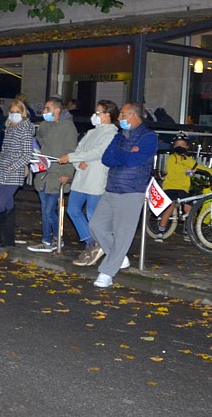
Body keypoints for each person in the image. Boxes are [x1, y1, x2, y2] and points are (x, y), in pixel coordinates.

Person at [88, 102, 158, 288]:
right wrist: (125, 154)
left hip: (131, 190)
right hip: (112, 187)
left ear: (134, 116)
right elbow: (106, 159)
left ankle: (107, 273)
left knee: (122, 234)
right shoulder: (119, 136)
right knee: (96, 225)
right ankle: (118, 258)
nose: (119, 118)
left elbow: (135, 160)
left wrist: (121, 155)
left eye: (123, 115)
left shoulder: (148, 137)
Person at [56, 100, 119, 265]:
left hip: (96, 178)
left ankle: (97, 243)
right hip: (82, 177)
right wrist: (77, 162)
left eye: (99, 113)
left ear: (108, 115)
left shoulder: (112, 134)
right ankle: (92, 242)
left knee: (92, 213)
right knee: (73, 209)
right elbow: (80, 150)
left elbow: (98, 152)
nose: (95, 116)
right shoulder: (91, 132)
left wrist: (72, 158)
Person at [27, 97, 78, 253]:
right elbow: (40, 141)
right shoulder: (45, 125)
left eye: (47, 109)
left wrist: (68, 174)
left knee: (49, 210)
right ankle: (52, 239)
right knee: (46, 210)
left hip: (57, 174)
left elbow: (71, 152)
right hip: (43, 173)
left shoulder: (68, 128)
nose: (44, 112)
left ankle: (51, 240)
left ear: (57, 110)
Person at [154, 132, 212, 242]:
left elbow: (201, 167)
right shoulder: (172, 158)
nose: (180, 146)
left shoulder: (189, 160)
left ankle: (187, 231)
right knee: (170, 207)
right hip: (171, 187)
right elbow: (173, 170)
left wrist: (210, 172)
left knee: (189, 209)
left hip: (183, 188)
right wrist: (186, 172)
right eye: (177, 144)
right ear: (174, 146)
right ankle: (161, 231)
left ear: (187, 146)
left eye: (183, 144)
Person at [0, 100, 35, 248]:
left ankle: (4, 236)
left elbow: (26, 154)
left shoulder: (25, 128)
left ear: (23, 113)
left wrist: (13, 167)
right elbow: (4, 150)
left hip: (14, 171)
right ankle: (7, 239)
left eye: (17, 112)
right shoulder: (9, 127)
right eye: (12, 112)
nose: (14, 115)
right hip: (3, 169)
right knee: (7, 202)